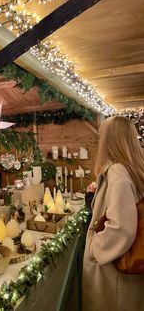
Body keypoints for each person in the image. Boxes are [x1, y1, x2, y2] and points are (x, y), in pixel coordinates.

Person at [82, 116, 144, 311]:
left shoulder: (118, 173)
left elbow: (121, 227)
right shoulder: (130, 169)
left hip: (112, 273)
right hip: (122, 274)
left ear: (110, 140)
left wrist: (95, 248)